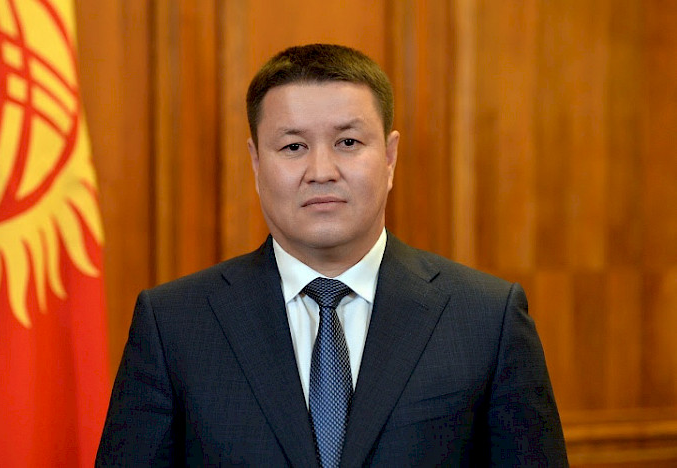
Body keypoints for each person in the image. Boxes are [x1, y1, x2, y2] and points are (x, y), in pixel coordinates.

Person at [96, 44, 568, 466]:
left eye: (348, 142)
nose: (321, 171)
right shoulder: (174, 324)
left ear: (389, 158)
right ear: (256, 163)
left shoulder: (487, 319)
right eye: (293, 146)